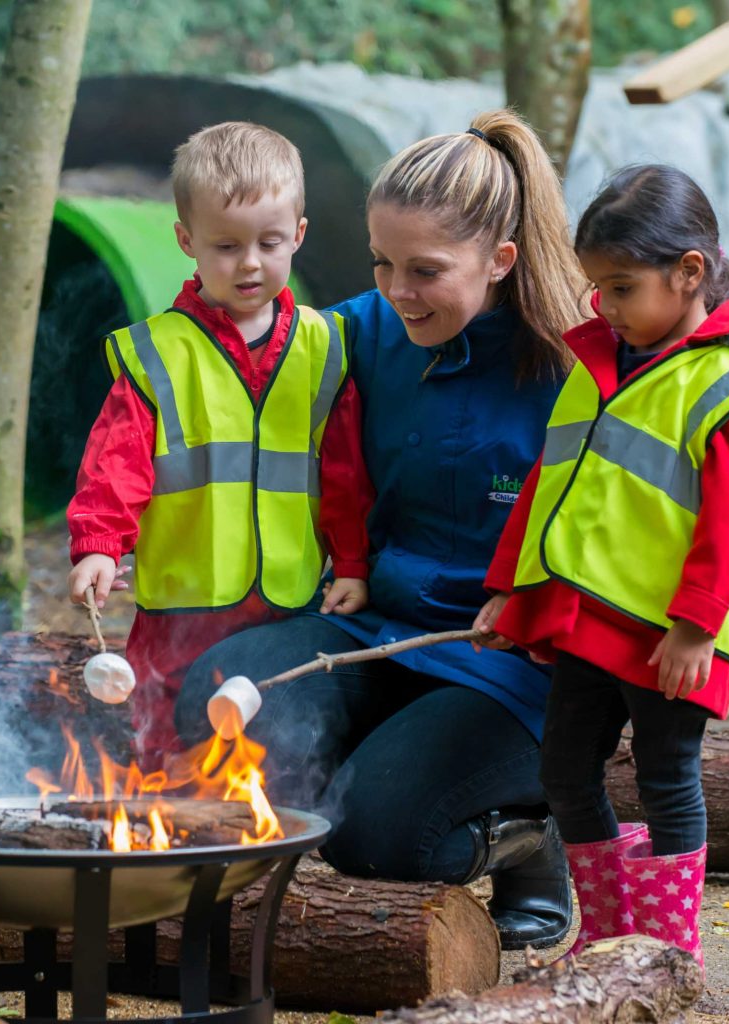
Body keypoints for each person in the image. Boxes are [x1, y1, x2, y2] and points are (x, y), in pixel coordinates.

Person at [175, 110, 589, 951]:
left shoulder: (576, 362)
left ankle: (529, 841)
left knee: (376, 837)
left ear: (500, 261)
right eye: (381, 263)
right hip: (375, 629)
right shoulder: (364, 330)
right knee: (214, 699)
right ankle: (379, 765)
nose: (397, 291)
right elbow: (242, 344)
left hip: (508, 664)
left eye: (425, 271)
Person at [474, 164, 729, 969]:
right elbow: (546, 487)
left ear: (689, 271)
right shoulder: (600, 362)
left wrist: (697, 626)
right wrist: (508, 592)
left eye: (623, 288)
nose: (608, 308)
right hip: (585, 618)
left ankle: (667, 954)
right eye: (600, 289)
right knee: (564, 768)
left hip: (670, 634)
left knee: (667, 777)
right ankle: (606, 938)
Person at [67, 121, 373, 768]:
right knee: (156, 734)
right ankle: (164, 850)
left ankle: (249, 851)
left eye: (269, 242)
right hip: (180, 605)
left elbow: (344, 472)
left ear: (300, 234)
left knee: (261, 743)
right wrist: (98, 544)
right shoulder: (158, 352)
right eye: (227, 245)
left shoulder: (323, 348)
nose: (251, 262)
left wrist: (352, 562)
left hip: (287, 602)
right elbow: (114, 463)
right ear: (186, 241)